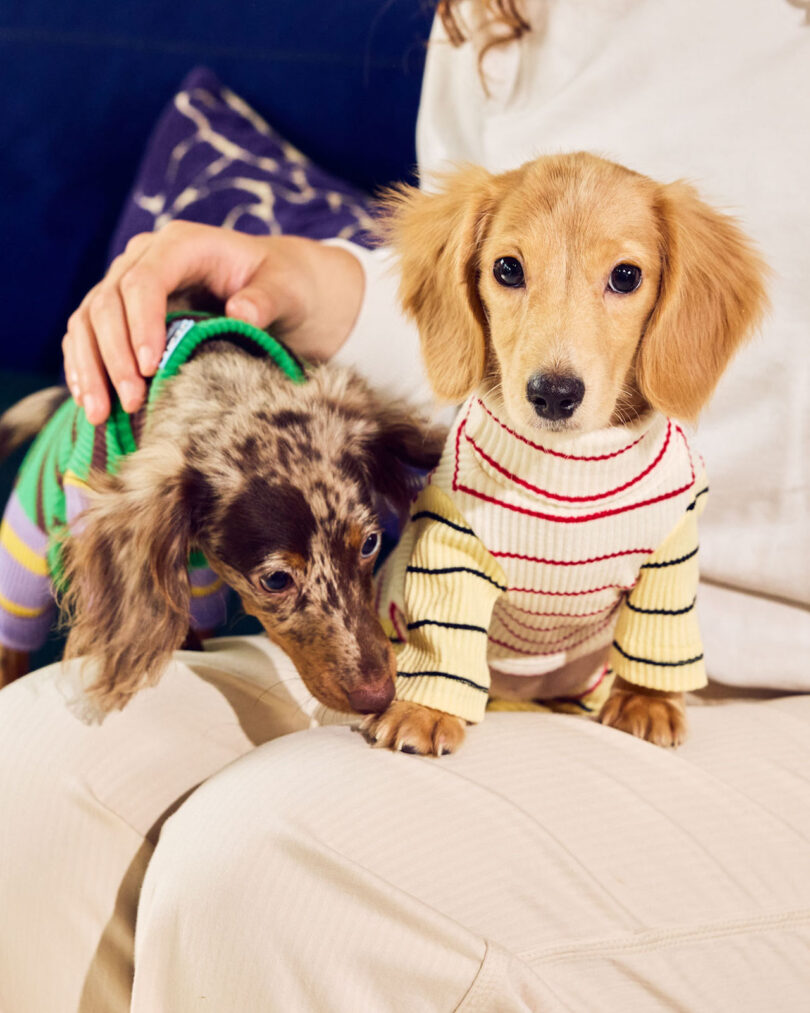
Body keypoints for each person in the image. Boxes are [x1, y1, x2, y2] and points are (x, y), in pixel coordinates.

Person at [2, 1, 809, 1009]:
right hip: (446, 616)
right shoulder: (505, 11)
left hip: (762, 680)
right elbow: (474, 336)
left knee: (265, 875)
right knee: (35, 774)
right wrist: (311, 278)